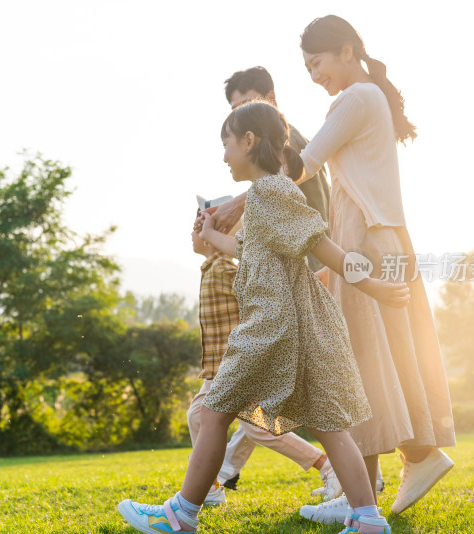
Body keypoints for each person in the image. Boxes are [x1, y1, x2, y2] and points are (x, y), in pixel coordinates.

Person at [117, 101, 409, 534]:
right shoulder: (267, 197)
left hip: (272, 327)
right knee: (330, 425)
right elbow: (252, 253)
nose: (223, 156)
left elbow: (323, 248)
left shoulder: (270, 192)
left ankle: (180, 516)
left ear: (249, 141)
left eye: (227, 144)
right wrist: (212, 236)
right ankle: (368, 520)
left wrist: (376, 288)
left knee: (214, 412)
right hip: (299, 328)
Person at [210, 15, 457, 525]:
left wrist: (242, 199)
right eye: (306, 67)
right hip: (375, 231)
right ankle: (392, 467)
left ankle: (386, 474)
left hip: (364, 233)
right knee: (374, 361)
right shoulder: (369, 97)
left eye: (317, 63)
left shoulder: (355, 99)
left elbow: (305, 163)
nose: (314, 75)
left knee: (358, 364)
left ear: (346, 51)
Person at [187, 202, 341, 505]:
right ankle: (212, 486)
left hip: (240, 362)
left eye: (198, 225)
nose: (192, 231)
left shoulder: (224, 268)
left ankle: (327, 465)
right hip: (218, 366)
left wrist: (321, 276)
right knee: (198, 415)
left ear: (213, 235)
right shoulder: (211, 267)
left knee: (256, 427)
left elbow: (274, 291)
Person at [222, 66, 331, 272]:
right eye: (235, 111)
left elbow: (271, 189)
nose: (240, 117)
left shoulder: (286, 145)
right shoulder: (286, 145)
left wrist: (233, 208)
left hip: (311, 269)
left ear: (271, 99)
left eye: (247, 104)